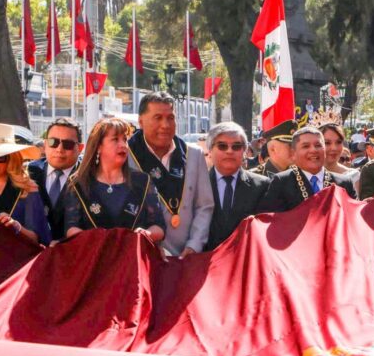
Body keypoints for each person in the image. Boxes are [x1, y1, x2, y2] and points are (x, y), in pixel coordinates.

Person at [128, 92, 214, 258]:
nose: (165, 125)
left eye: (170, 118)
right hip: (141, 256)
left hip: (185, 258)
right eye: (158, 117)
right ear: (141, 121)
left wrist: (194, 245)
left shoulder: (193, 155)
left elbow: (204, 206)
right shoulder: (126, 155)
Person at [64, 118, 165, 243]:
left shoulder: (143, 181)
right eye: (115, 139)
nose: (123, 145)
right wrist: (93, 240)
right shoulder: (79, 183)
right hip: (94, 256)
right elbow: (71, 227)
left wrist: (146, 234)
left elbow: (159, 226)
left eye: (125, 139)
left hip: (132, 256)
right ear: (98, 147)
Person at [259, 127, 357, 212]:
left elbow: (353, 219)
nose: (313, 150)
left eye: (318, 145)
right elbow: (272, 221)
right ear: (293, 153)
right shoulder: (282, 182)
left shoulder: (344, 183)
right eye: (306, 146)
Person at [205, 122, 270, 250]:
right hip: (205, 262)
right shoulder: (197, 185)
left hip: (245, 261)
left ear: (245, 151)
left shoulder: (262, 186)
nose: (229, 151)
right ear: (210, 151)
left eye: (236, 146)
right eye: (222, 146)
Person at [28, 117, 84, 241]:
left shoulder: (88, 177)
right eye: (53, 142)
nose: (59, 149)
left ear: (80, 148)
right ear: (45, 144)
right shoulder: (29, 173)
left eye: (68, 144)